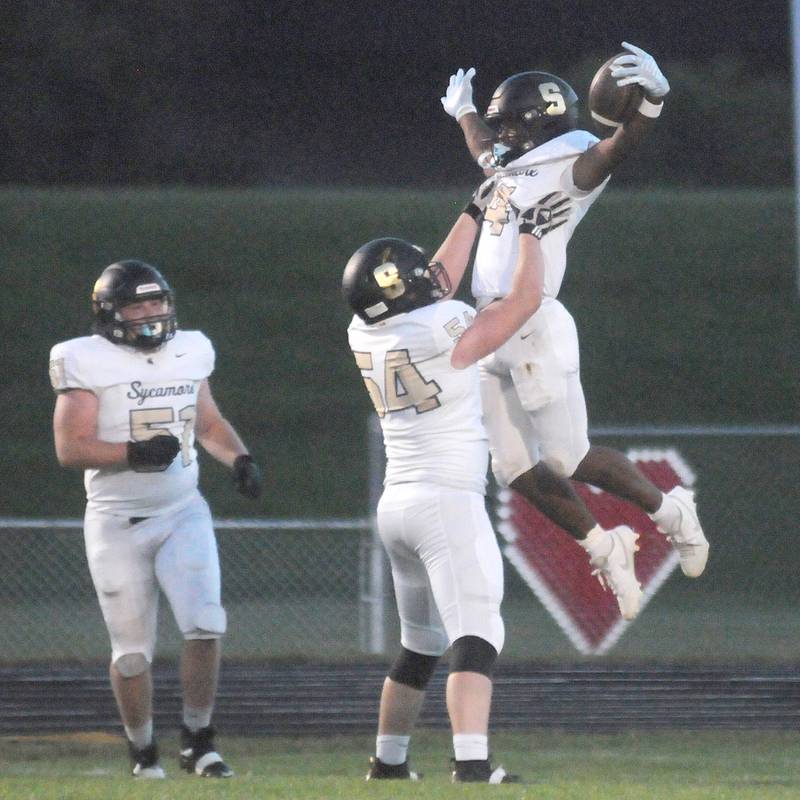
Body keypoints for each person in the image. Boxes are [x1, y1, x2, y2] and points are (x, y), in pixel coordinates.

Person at [440, 43, 709, 619]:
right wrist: (464, 113)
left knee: (568, 457)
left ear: (538, 124)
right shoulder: (512, 164)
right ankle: (605, 548)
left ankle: (671, 512)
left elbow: (616, 148)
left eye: (511, 124)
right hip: (489, 324)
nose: (501, 136)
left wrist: (654, 102)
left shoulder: (574, 160)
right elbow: (486, 152)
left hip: (534, 320)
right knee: (511, 467)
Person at [342, 190, 572, 783]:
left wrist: (473, 210)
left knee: (420, 644)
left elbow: (432, 281)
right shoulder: (443, 324)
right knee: (479, 630)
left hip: (397, 505)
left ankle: (389, 763)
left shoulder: (364, 331)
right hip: (446, 500)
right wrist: (531, 234)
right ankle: (472, 764)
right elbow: (521, 301)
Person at [49, 259, 263, 779]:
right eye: (136, 305)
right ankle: (143, 751)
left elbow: (207, 420)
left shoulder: (190, 349)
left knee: (207, 624)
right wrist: (131, 453)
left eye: (157, 302)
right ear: (110, 314)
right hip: (116, 521)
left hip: (182, 511)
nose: (150, 313)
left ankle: (198, 741)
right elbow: (69, 447)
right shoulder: (83, 360)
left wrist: (239, 457)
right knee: (131, 655)